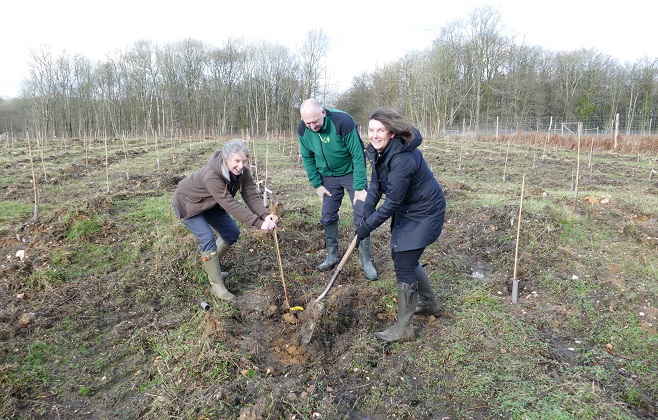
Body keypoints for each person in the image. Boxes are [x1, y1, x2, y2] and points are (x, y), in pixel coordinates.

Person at [355, 107, 446, 342]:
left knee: (404, 263)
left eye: (380, 130)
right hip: (409, 207)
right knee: (402, 256)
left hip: (424, 211)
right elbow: (375, 185)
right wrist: (366, 213)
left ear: (392, 133)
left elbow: (392, 201)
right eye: (371, 130)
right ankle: (429, 303)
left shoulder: (403, 158)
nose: (374, 135)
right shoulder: (379, 151)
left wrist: (368, 227)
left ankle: (404, 329)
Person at [173, 139, 278, 301]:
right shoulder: (212, 176)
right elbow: (229, 203)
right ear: (226, 159)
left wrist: (265, 215)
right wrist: (258, 224)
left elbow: (250, 195)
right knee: (207, 237)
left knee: (231, 233)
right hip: (189, 205)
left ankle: (210, 265)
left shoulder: (243, 173)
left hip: (211, 204)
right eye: (236, 161)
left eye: (244, 161)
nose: (241, 165)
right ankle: (216, 285)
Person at [297, 98, 377, 280]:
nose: (312, 126)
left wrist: (359, 187)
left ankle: (366, 260)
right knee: (327, 215)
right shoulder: (304, 129)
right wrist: (317, 184)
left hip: (350, 172)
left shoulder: (343, 122)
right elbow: (307, 158)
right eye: (307, 122)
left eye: (315, 121)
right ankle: (332, 255)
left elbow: (358, 155)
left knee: (362, 214)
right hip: (327, 176)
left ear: (323, 112)